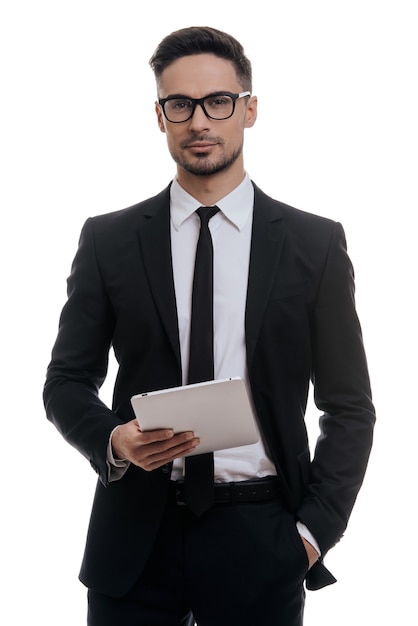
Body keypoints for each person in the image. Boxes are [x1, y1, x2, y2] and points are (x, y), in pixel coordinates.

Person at [43, 26, 375, 626]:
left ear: (249, 110)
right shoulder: (108, 240)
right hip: (135, 539)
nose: (200, 121)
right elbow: (65, 382)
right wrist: (113, 442)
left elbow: (350, 407)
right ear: (160, 116)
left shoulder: (314, 244)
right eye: (180, 105)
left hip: (261, 535)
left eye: (218, 102)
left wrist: (311, 534)